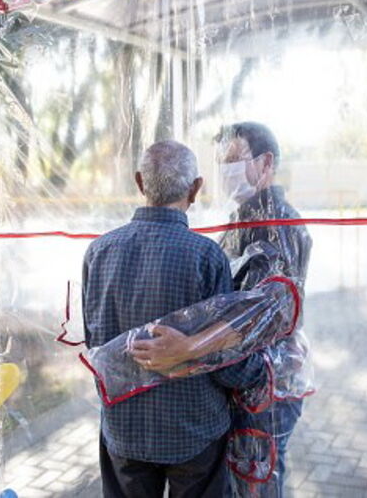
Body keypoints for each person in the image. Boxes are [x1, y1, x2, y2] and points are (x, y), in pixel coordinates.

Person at [82, 141, 266, 498]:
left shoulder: (98, 252)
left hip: (124, 429)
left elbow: (97, 343)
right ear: (195, 188)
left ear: (139, 182)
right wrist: (260, 371)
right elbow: (222, 359)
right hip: (193, 431)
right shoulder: (207, 257)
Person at [215, 122, 313, 492]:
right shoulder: (245, 218)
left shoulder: (276, 224)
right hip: (253, 381)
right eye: (221, 162)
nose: (225, 172)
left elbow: (263, 316)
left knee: (258, 481)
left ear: (265, 162)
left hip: (266, 385)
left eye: (233, 160)